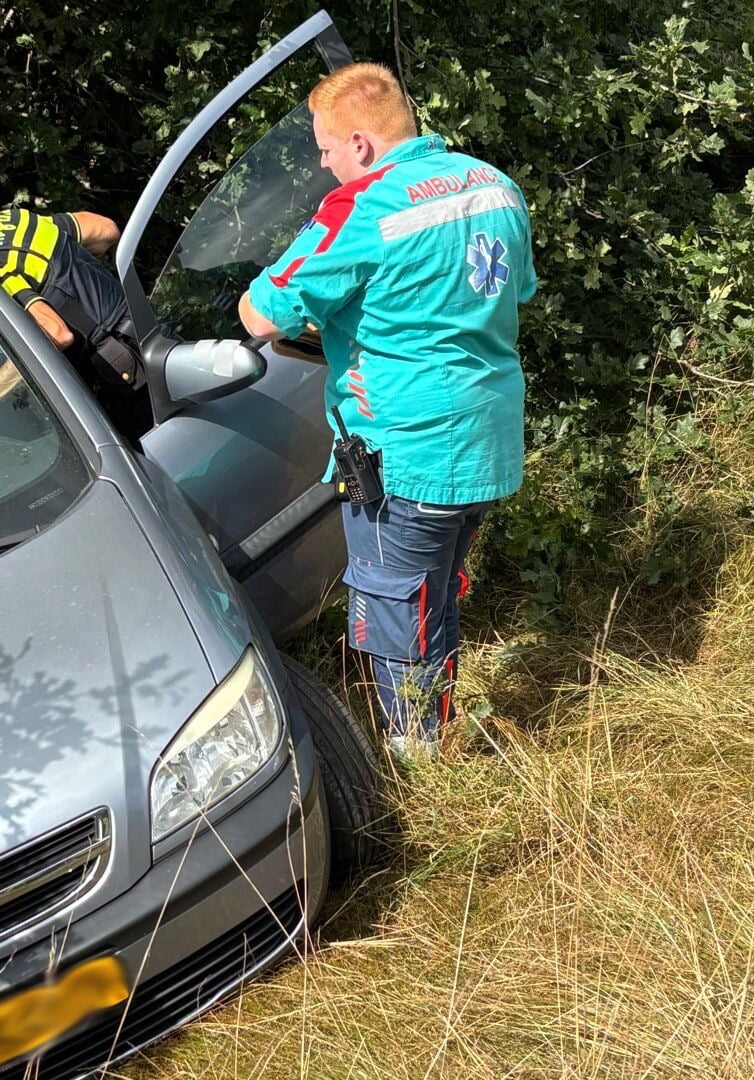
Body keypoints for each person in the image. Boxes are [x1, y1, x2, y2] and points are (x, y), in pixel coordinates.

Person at [237, 62, 537, 756]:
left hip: (406, 451)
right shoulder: (494, 184)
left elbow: (261, 313)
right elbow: (508, 292)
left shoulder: (361, 206)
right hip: (487, 441)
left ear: (363, 146)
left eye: (326, 149)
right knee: (434, 591)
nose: (323, 163)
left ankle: (418, 754)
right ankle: (440, 718)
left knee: (398, 606)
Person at [0, 208, 149, 438]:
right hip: (152, 341)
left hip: (131, 389)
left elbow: (54, 334)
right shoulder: (5, 221)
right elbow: (106, 231)